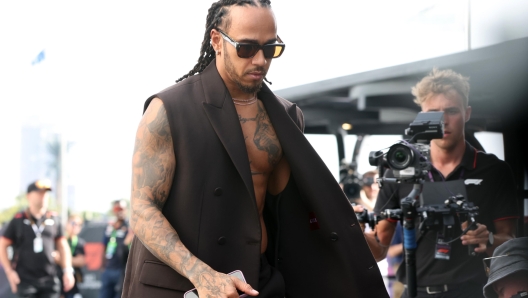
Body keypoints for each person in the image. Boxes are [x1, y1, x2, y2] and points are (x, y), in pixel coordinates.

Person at [122, 1, 388, 297]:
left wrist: (343, 230)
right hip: (180, 286)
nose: (260, 60)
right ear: (217, 41)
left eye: (271, 48)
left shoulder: (286, 117)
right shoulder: (168, 109)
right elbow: (143, 209)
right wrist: (200, 273)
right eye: (247, 48)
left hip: (256, 282)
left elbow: (286, 209)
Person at [364, 68, 518, 297]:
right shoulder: (400, 170)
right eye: (433, 113)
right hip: (416, 292)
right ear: (421, 117)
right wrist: (352, 229)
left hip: (475, 291)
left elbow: (511, 244)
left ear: (467, 113)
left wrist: (490, 239)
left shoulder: (494, 171)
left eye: (451, 111)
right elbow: (379, 247)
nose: (443, 120)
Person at [0, 180, 75, 298]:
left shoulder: (54, 219)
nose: (43, 197)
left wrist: (68, 271)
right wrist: (10, 272)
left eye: (45, 193)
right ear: (28, 196)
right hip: (25, 280)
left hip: (49, 279)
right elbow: (3, 245)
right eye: (39, 193)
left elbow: (63, 246)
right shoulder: (18, 220)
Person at [99, 200, 131, 298]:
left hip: (122, 269)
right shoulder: (109, 227)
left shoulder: (130, 226)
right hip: (108, 269)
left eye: (121, 208)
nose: (119, 211)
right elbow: (104, 247)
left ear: (126, 210)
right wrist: (102, 266)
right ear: (113, 210)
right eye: (117, 208)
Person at [54, 215, 85, 298]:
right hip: (57, 281)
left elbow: (81, 261)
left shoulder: (79, 242)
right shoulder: (59, 240)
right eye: (73, 223)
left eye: (79, 224)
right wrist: (72, 260)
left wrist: (63, 259)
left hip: (73, 283)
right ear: (66, 224)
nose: (75, 226)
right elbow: (54, 257)